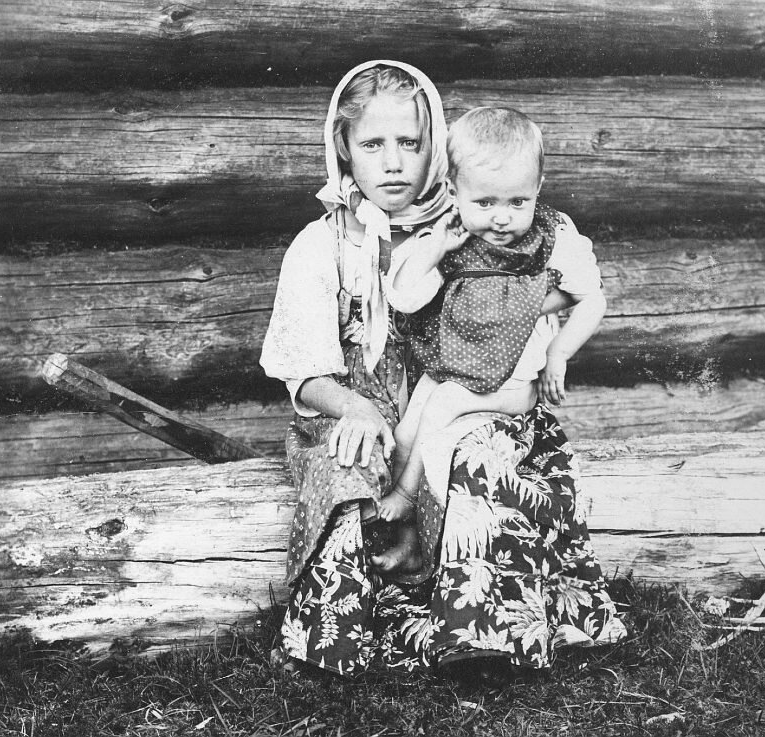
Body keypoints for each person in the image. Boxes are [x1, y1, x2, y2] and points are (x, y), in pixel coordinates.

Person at [260, 60, 627, 678]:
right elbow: (304, 373)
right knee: (348, 465)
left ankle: (480, 631)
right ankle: (344, 639)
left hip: (472, 397)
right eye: (373, 144)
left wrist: (543, 322)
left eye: (410, 142)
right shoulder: (322, 245)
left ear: (436, 148)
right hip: (361, 408)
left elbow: (551, 291)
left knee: (481, 453)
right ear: (344, 151)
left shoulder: (468, 219)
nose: (394, 162)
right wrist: (353, 405)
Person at [370, 107, 608, 577]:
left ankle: (403, 496)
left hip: (514, 382)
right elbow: (405, 296)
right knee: (405, 431)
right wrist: (436, 250)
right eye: (485, 203)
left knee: (442, 408)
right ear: (455, 190)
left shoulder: (552, 236)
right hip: (452, 365)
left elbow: (593, 298)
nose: (501, 218)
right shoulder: (452, 232)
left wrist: (560, 352)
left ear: (538, 187)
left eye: (517, 202)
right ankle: (411, 542)